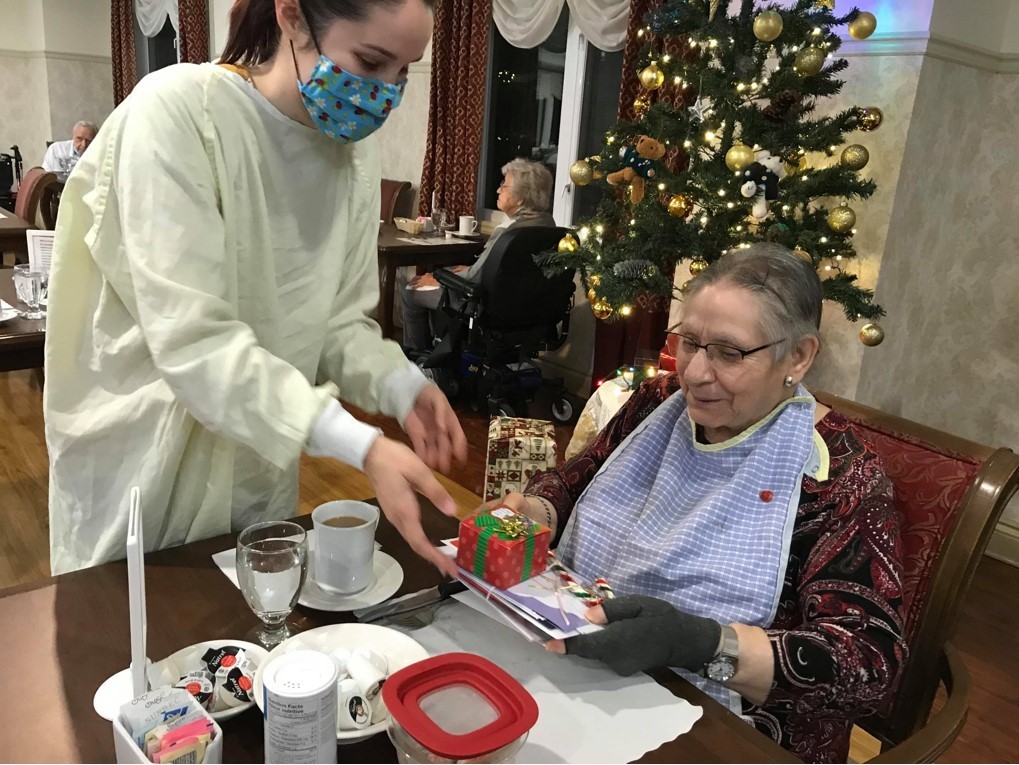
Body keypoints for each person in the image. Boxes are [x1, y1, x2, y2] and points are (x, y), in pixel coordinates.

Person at [44, 0, 468, 577]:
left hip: (259, 447)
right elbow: (193, 343)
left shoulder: (353, 158)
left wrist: (401, 386)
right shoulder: (179, 114)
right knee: (143, 638)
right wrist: (358, 442)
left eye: (403, 71)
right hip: (150, 452)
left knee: (251, 627)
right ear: (292, 17)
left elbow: (337, 323)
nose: (383, 94)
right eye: (370, 62)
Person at [492, 244, 908, 763]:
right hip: (590, 664)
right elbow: (576, 481)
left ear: (798, 356)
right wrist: (535, 512)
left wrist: (701, 643)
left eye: (729, 353)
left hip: (729, 732)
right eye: (690, 342)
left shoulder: (841, 478)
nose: (694, 373)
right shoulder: (657, 403)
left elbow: (868, 667)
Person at [400, 158, 555, 355]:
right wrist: (470, 269)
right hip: (525, 308)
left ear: (520, 198)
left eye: (503, 185)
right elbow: (512, 270)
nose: (498, 190)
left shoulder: (508, 232)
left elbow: (475, 279)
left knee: (411, 290)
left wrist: (437, 279)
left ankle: (418, 359)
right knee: (450, 272)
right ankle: (440, 354)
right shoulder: (549, 226)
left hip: (482, 306)